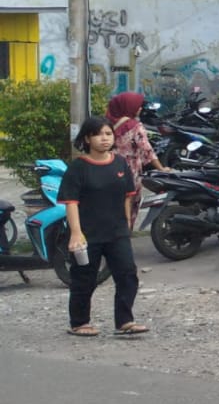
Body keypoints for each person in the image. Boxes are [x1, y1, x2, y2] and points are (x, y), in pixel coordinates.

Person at [59, 117, 148, 337]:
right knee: (84, 279)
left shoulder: (120, 163)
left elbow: (127, 196)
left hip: (117, 232)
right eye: (98, 134)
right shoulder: (78, 168)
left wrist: (127, 224)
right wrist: (76, 233)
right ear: (87, 139)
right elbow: (71, 202)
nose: (104, 138)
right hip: (87, 234)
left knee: (127, 274)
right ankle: (79, 322)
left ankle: (125, 321)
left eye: (108, 134)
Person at [107, 91, 169, 229]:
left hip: (108, 170)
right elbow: (147, 150)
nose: (140, 108)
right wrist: (161, 168)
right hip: (129, 172)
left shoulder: (106, 125)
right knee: (129, 205)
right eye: (137, 106)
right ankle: (124, 235)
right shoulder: (134, 126)